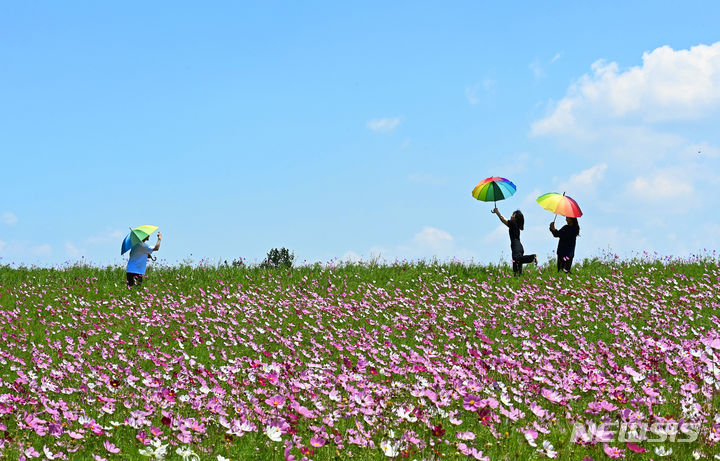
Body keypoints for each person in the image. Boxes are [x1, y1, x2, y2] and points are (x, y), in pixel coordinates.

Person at [492, 208, 537, 275]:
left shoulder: (513, 224)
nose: (511, 216)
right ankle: (518, 279)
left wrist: (497, 212)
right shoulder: (515, 225)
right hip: (518, 246)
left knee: (516, 259)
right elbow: (505, 219)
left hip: (516, 245)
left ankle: (533, 257)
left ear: (516, 218)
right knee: (516, 267)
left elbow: (503, 219)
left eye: (513, 215)